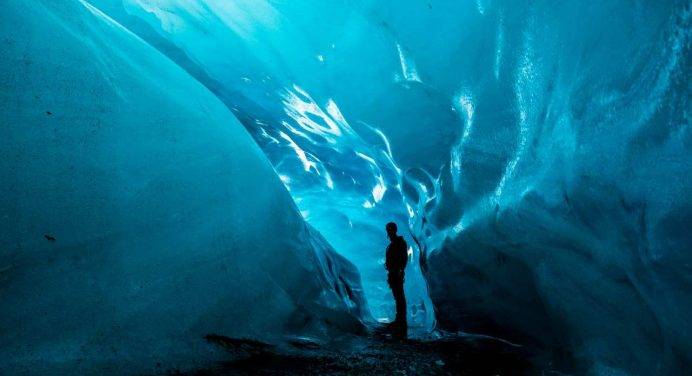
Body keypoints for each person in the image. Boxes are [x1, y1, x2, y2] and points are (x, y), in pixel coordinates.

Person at [385, 221, 408, 337]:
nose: (387, 232)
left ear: (392, 230)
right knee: (397, 296)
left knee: (399, 296)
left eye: (388, 230)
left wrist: (399, 270)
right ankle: (399, 319)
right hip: (393, 273)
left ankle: (401, 321)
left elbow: (403, 258)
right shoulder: (395, 243)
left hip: (396, 273)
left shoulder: (399, 243)